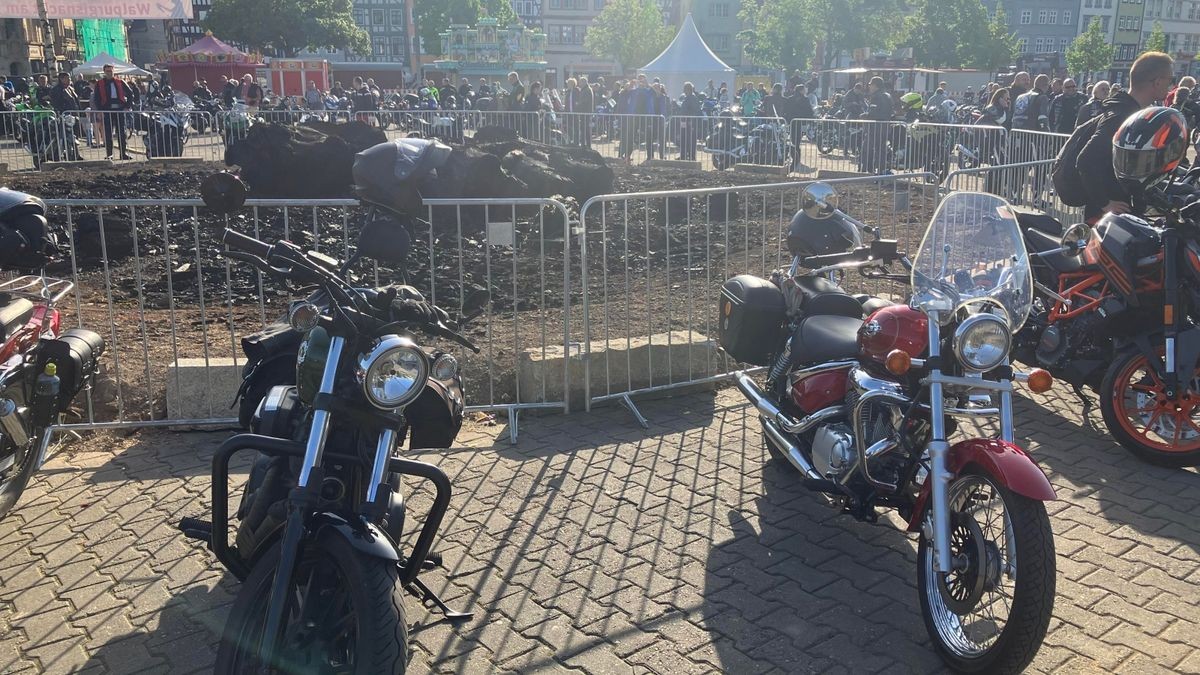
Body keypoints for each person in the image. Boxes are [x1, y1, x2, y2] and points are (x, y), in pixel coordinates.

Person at [1076, 52, 1174, 222]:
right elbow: (1085, 160)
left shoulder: (1133, 112)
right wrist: (1105, 203)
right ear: (1157, 82)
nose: (1172, 86)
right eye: (1170, 80)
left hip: (1120, 211)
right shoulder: (1121, 116)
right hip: (1109, 217)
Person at [91, 64, 132, 160]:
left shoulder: (120, 82)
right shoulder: (100, 83)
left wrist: (127, 106)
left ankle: (123, 153)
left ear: (114, 71)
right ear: (104, 72)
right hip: (107, 110)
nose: (109, 73)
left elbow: (130, 93)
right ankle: (110, 154)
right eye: (107, 71)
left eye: (111, 71)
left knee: (122, 132)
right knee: (108, 133)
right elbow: (96, 98)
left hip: (119, 109)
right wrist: (100, 111)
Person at [860, 76, 892, 174]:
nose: (869, 87)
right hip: (884, 128)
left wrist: (864, 115)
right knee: (881, 151)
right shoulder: (888, 96)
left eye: (871, 85)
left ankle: (866, 171)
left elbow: (873, 113)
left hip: (874, 128)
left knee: (866, 149)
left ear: (875, 86)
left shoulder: (876, 97)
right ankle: (881, 172)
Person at [676, 81, 702, 160]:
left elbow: (695, 111)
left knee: (691, 140)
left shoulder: (693, 98)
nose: (684, 91)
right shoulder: (687, 97)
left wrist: (691, 120)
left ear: (688, 89)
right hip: (685, 121)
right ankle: (683, 155)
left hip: (690, 122)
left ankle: (691, 156)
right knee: (684, 139)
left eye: (685, 89)